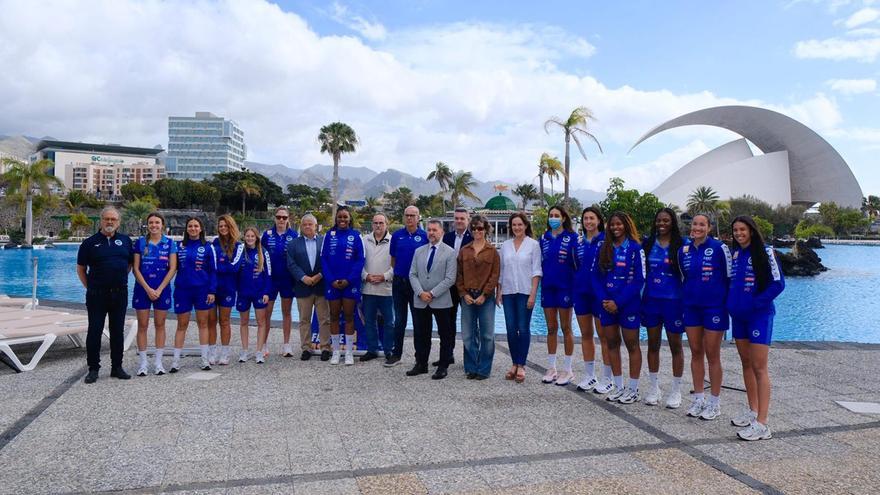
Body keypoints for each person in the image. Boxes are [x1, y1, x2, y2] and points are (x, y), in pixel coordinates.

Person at [728, 216, 784, 441]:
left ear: (751, 230)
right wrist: (732, 305)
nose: (738, 233)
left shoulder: (766, 252)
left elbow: (778, 283)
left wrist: (755, 303)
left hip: (759, 316)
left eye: (742, 229)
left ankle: (762, 423)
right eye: (735, 230)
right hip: (739, 317)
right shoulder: (735, 254)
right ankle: (753, 411)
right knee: (746, 364)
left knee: (759, 367)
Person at [679, 213, 731, 420]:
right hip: (691, 307)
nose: (697, 228)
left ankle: (714, 403)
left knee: (713, 354)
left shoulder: (719, 248)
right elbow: (683, 277)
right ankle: (699, 399)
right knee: (696, 352)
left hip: (714, 308)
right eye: (695, 224)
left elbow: (729, 277)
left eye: (702, 225)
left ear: (709, 228)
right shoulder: (683, 250)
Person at [76, 206, 133, 383]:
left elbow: (129, 265)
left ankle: (117, 367)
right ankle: (93, 368)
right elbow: (81, 269)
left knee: (117, 331)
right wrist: (91, 287)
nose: (110, 222)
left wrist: (118, 279)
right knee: (95, 331)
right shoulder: (89, 243)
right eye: (107, 219)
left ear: (118, 222)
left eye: (113, 219)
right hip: (96, 295)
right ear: (101, 221)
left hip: (119, 294)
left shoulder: (126, 241)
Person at [593, 212, 645, 404]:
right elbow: (595, 277)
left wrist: (619, 302)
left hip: (628, 304)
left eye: (619, 224)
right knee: (612, 343)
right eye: (612, 224)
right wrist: (604, 300)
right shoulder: (603, 247)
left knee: (632, 345)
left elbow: (639, 279)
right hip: (606, 305)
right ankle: (618, 386)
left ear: (626, 225)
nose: (615, 227)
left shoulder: (635, 248)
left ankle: (633, 389)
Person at [641, 208, 688, 408]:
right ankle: (654, 388)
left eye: (666, 220)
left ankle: (676, 390)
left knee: (676, 346)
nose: (662, 224)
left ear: (673, 222)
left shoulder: (682, 245)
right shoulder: (648, 243)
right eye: (659, 220)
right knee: (653, 344)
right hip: (651, 300)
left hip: (674, 302)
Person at [407, 219, 457, 379]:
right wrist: (420, 292)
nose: (431, 233)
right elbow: (412, 274)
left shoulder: (450, 252)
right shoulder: (419, 251)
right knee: (421, 334)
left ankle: (443, 366)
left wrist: (432, 293)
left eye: (435, 230)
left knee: (445, 334)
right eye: (429, 230)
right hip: (421, 300)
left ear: (442, 232)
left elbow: (450, 278)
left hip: (441, 300)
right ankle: (421, 364)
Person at [497, 213, 541, 383]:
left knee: (523, 328)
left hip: (525, 291)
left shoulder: (533, 245)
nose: (517, 228)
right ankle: (514, 363)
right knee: (510, 328)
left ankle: (521, 365)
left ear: (525, 226)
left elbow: (536, 270)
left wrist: (533, 294)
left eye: (520, 224)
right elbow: (502, 271)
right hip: (508, 292)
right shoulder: (505, 246)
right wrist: (499, 292)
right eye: (514, 225)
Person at [132, 212, 177, 376]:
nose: (154, 225)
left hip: (162, 290)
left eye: (157, 222)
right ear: (147, 225)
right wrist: (148, 289)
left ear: (162, 225)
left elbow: (173, 268)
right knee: (142, 325)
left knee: (160, 324)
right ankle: (143, 363)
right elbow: (135, 268)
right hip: (142, 289)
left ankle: (158, 363)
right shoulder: (140, 242)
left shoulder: (170, 243)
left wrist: (159, 289)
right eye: (151, 222)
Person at [170, 217, 217, 372]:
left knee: (203, 324)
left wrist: (212, 290)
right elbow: (172, 267)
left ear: (201, 229)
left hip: (202, 290)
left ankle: (205, 360)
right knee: (181, 325)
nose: (193, 228)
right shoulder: (179, 246)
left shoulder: (208, 247)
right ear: (186, 229)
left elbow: (213, 271)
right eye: (190, 226)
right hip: (182, 290)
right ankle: (175, 361)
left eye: (196, 226)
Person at [456, 214, 500, 380]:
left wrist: (484, 294)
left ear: (486, 229)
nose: (476, 231)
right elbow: (458, 275)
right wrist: (463, 293)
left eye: (480, 228)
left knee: (487, 335)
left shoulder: (492, 252)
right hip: (467, 296)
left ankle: (483, 369)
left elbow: (495, 275)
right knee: (468, 334)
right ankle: (471, 367)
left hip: (485, 298)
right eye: (473, 228)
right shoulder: (464, 250)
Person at [573, 206, 611, 393]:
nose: (588, 222)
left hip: (600, 295)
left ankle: (608, 378)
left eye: (592, 218)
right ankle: (590, 375)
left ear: (599, 220)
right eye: (585, 218)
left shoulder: (606, 241)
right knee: (586, 334)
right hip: (581, 293)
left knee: (604, 336)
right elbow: (576, 266)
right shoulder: (579, 242)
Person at [539, 205, 578, 386]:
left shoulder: (572, 238)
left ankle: (568, 369)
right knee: (551, 328)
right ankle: (551, 367)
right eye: (551, 215)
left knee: (566, 327)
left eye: (556, 215)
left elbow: (577, 264)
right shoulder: (543, 238)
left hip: (565, 288)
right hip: (548, 288)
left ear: (563, 218)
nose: (553, 218)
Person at [321, 206, 365, 365]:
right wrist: (331, 279)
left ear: (350, 219)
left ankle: (348, 353)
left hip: (350, 283)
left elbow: (360, 259)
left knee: (348, 316)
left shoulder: (356, 236)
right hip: (332, 283)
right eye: (340, 217)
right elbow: (323, 259)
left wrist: (349, 279)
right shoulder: (329, 235)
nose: (342, 219)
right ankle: (336, 351)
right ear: (336, 218)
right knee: (333, 316)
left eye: (345, 217)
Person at [286, 214, 332, 361]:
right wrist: (303, 277)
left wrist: (319, 275)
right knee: (304, 320)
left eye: (310, 224)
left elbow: (329, 261)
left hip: (321, 286)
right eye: (304, 224)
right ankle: (306, 348)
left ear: (316, 226)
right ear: (301, 226)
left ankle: (325, 348)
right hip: (303, 287)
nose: (307, 226)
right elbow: (291, 264)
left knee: (324, 319)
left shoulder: (324, 242)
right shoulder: (293, 244)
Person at [387, 206, 428, 367]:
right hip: (399, 283)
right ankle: (396, 354)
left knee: (418, 321)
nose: (409, 218)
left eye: (412, 215)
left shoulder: (424, 236)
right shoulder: (397, 236)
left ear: (418, 218)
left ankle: (419, 357)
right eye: (407, 215)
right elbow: (393, 260)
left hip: (416, 285)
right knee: (399, 321)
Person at [261, 206, 298, 357]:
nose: (281, 220)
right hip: (270, 280)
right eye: (278, 217)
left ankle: (287, 345)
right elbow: (260, 255)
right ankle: (263, 344)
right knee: (267, 313)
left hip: (287, 280)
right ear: (274, 218)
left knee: (286, 312)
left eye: (284, 217)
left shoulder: (294, 235)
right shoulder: (267, 235)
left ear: (288, 219)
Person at [209, 214, 243, 366]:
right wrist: (221, 266)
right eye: (220, 226)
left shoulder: (239, 246)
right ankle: (212, 352)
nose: (223, 228)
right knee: (211, 321)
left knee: (224, 321)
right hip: (212, 288)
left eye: (225, 226)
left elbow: (234, 267)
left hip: (228, 289)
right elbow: (210, 265)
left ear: (231, 227)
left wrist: (218, 266)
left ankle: (225, 352)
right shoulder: (214, 243)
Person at [361, 213, 395, 362]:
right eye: (376, 223)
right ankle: (372, 349)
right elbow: (358, 261)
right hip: (368, 287)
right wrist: (366, 276)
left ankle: (389, 350)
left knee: (389, 322)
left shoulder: (393, 241)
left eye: (381, 222)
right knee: (369, 321)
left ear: (386, 224)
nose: (378, 225)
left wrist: (384, 276)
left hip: (386, 288)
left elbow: (397, 264)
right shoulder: (364, 240)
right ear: (372, 224)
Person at [237, 227, 272, 364]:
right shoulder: (240, 251)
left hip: (259, 292)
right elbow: (235, 270)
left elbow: (268, 274)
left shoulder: (263, 252)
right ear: (244, 237)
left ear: (257, 238)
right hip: (243, 293)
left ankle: (259, 351)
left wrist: (266, 292)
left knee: (261, 322)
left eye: (252, 236)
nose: (250, 238)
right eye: (247, 236)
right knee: (243, 322)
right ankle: (244, 351)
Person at [443, 207, 473, 337]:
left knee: (469, 321)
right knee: (449, 320)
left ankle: (470, 350)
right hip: (449, 286)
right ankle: (448, 350)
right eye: (456, 218)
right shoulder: (446, 238)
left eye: (462, 218)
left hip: (467, 286)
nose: (459, 221)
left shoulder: (473, 238)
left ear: (468, 220)